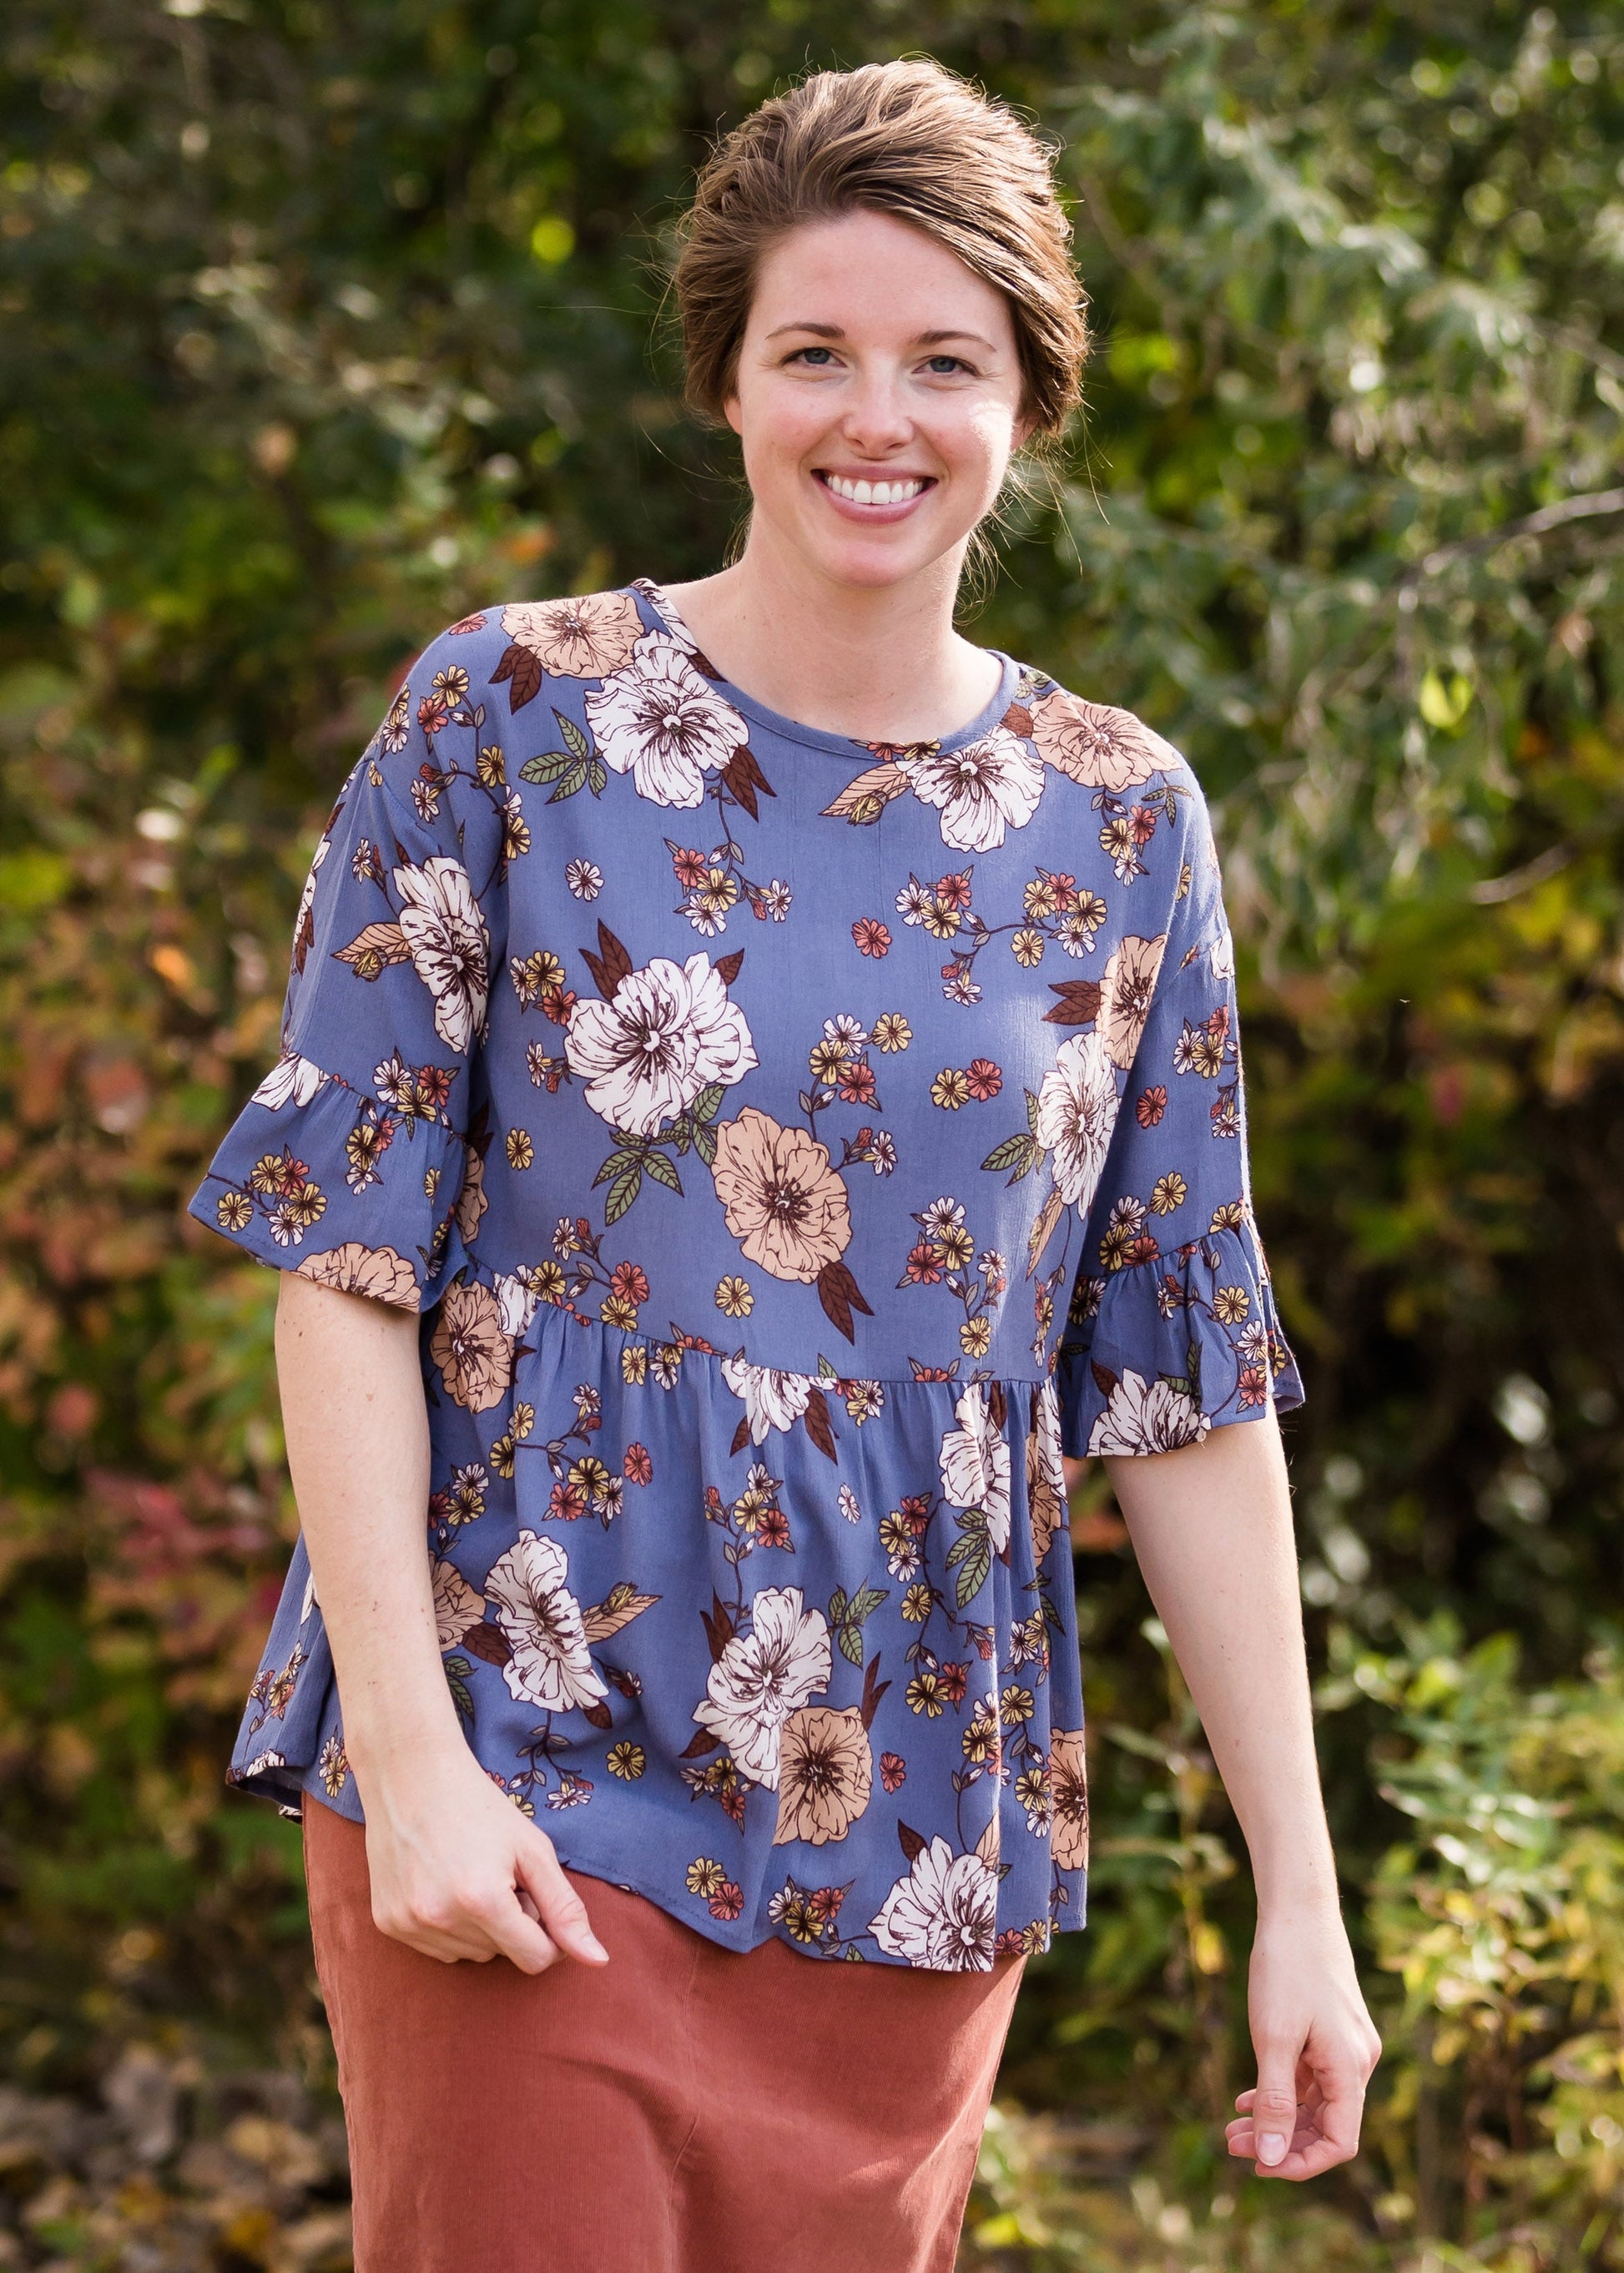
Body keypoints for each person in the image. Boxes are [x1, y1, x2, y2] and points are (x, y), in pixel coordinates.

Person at [189, 55, 1380, 2273]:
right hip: (520, 1768)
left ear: (1027, 400)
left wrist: (1301, 1902)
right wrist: (414, 1763)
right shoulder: (507, 716)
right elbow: (342, 1260)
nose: (877, 417)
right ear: (727, 382)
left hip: (908, 1832)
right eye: (814, 350)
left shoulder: (1121, 820)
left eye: (946, 361)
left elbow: (1181, 1389)